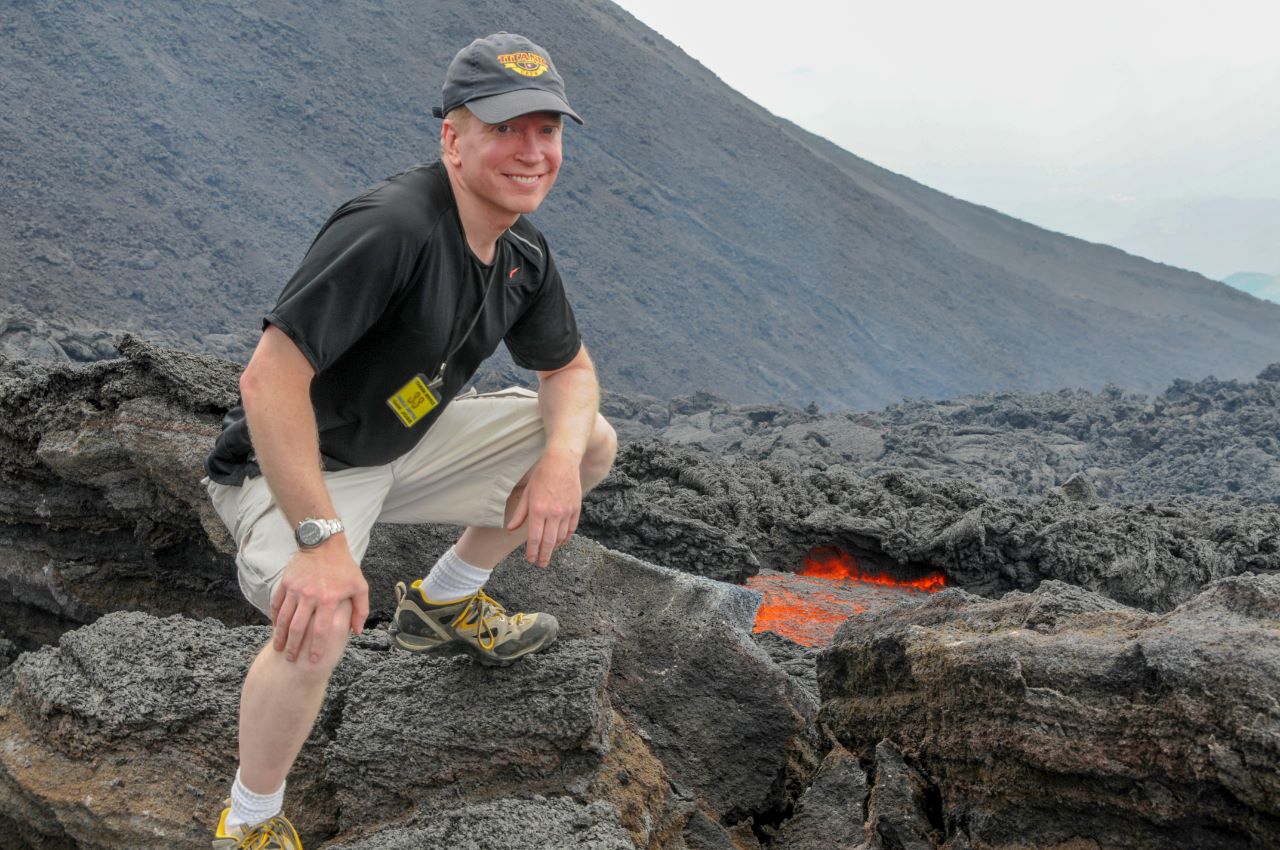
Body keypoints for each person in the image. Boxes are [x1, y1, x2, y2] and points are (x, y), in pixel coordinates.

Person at [201, 32, 616, 849]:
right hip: (299, 468)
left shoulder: (522, 251)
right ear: (452, 139)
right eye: (505, 129)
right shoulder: (392, 228)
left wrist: (561, 463)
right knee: (319, 620)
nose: (531, 152)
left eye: (547, 130)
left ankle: (445, 601)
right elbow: (267, 381)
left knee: (590, 439)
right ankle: (248, 821)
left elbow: (569, 372)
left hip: (401, 445)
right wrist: (321, 543)